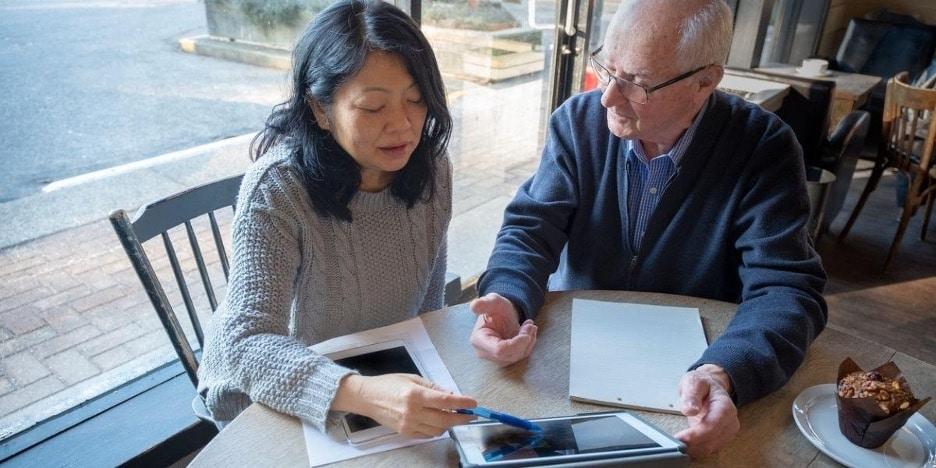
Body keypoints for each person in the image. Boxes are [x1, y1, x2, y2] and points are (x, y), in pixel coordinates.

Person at [468, 0, 827, 458]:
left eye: (636, 84)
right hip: (573, 347)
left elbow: (788, 288)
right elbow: (530, 229)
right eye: (606, 67)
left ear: (705, 81)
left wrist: (727, 372)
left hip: (694, 368)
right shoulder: (578, 123)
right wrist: (508, 296)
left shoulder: (764, 146)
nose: (607, 97)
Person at [198, 0, 476, 436]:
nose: (403, 125)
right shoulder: (277, 188)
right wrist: (362, 392)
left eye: (417, 100)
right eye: (372, 107)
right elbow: (244, 346)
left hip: (376, 368)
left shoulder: (433, 168)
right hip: (269, 391)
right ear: (320, 110)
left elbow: (426, 302)